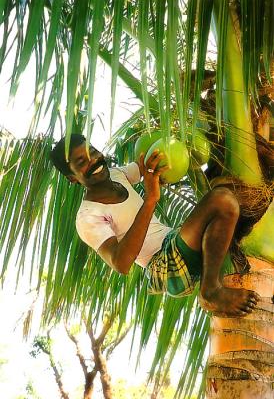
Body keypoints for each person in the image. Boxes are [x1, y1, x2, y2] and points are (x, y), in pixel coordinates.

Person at [50, 134, 260, 316]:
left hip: (176, 241)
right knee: (222, 200)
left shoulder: (117, 174)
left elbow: (147, 166)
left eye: (92, 151)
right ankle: (210, 292)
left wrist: (173, 142)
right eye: (81, 161)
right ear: (72, 178)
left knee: (242, 214)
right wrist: (150, 199)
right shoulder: (88, 216)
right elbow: (121, 263)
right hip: (165, 267)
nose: (94, 160)